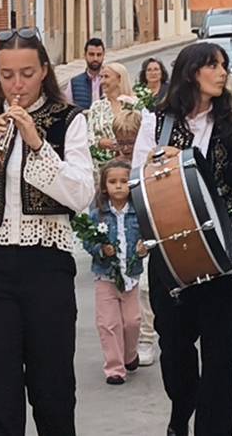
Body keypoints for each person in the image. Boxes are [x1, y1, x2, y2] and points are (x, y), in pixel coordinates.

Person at [0, 27, 94, 436]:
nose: (17, 85)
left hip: (47, 263)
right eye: (7, 75)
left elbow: (81, 194)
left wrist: (37, 143)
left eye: (27, 74)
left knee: (53, 389)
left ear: (44, 70)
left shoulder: (68, 120)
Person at [132, 42, 232, 436]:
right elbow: (139, 183)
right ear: (192, 73)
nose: (223, 73)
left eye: (224, 66)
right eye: (214, 66)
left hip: (221, 259)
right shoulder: (155, 123)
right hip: (171, 260)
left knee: (220, 361)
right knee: (174, 352)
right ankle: (181, 411)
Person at [82, 160, 147, 385]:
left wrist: (144, 248)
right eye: (112, 181)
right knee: (108, 324)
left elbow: (148, 236)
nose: (118, 186)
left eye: (124, 181)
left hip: (130, 277)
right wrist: (101, 249)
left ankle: (129, 355)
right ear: (104, 186)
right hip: (106, 277)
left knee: (132, 322)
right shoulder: (97, 215)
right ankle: (114, 368)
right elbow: (88, 240)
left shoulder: (138, 214)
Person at [110, 109, 156, 367]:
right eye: (121, 142)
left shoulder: (146, 163)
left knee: (145, 288)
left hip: (144, 233)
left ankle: (146, 338)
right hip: (119, 237)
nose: (126, 148)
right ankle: (126, 343)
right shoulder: (113, 169)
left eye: (131, 142)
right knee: (120, 291)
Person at [88, 62, 136, 162]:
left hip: (131, 161)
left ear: (119, 79)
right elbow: (88, 136)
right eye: (101, 77)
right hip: (103, 164)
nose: (102, 81)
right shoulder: (97, 107)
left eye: (106, 77)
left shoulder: (134, 104)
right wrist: (100, 142)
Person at [64, 37, 105, 108]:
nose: (95, 58)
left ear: (103, 56)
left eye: (99, 55)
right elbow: (67, 109)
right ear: (85, 55)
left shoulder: (111, 81)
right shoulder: (74, 83)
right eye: (91, 54)